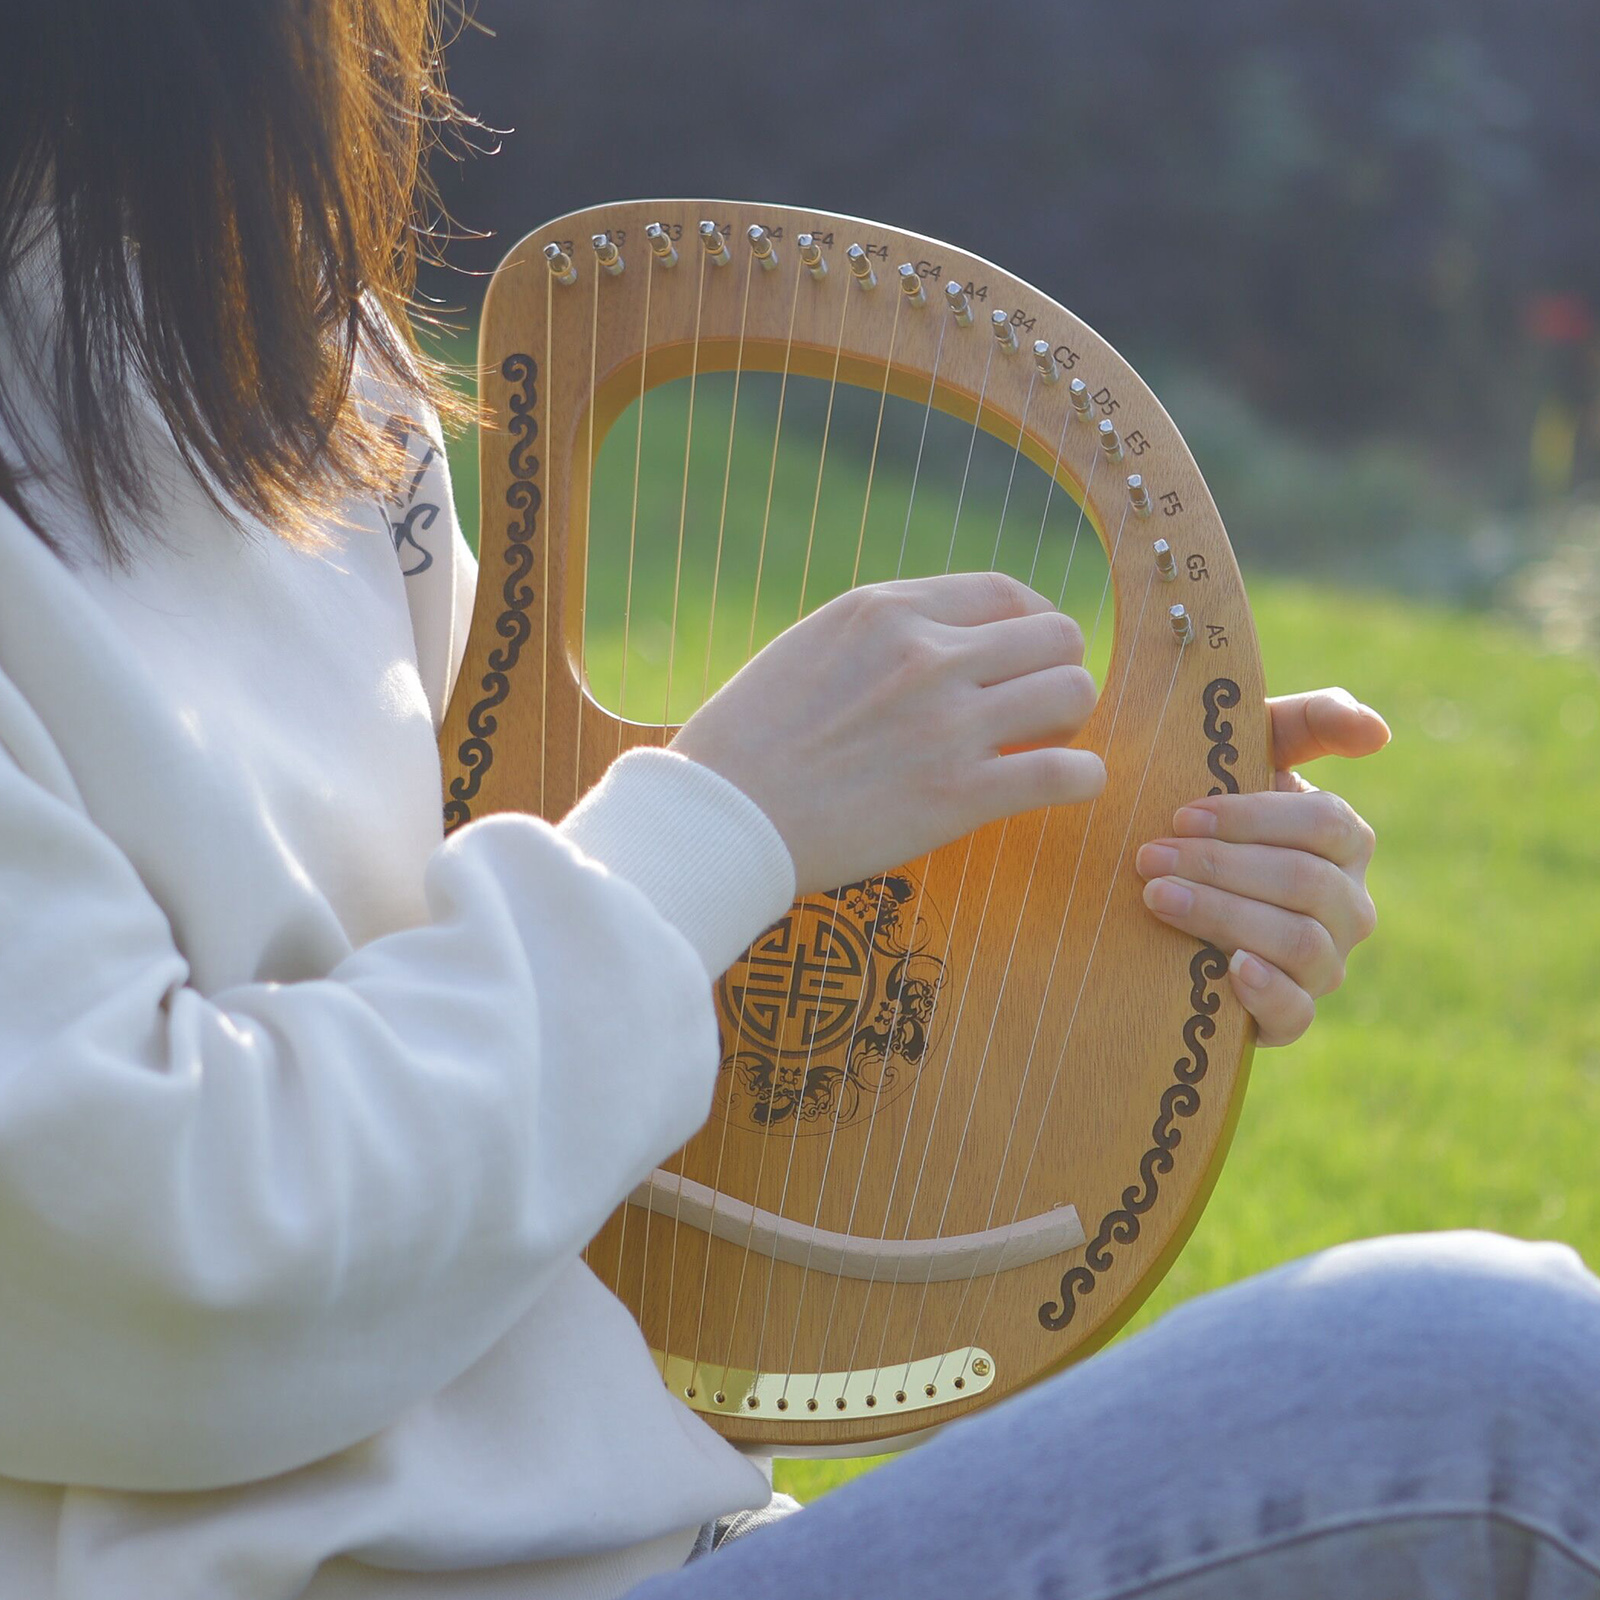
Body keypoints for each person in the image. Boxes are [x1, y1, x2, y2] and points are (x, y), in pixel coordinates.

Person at [1, 6, 1596, 1600]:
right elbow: (169, 1269)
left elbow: (518, 1064)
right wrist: (724, 821)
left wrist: (1085, 918)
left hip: (696, 1542)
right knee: (1494, 1389)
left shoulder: (258, 333)